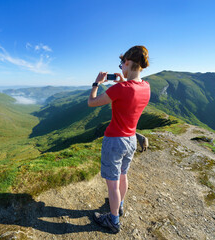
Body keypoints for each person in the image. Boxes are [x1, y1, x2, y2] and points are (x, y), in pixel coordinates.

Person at [87, 45, 151, 233]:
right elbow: (130, 95)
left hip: (114, 140)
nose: (121, 66)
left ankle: (113, 221)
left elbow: (92, 102)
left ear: (128, 63)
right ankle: (120, 206)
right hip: (131, 139)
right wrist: (123, 80)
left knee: (112, 183)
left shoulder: (121, 88)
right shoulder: (146, 87)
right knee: (123, 175)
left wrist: (96, 83)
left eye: (122, 63)